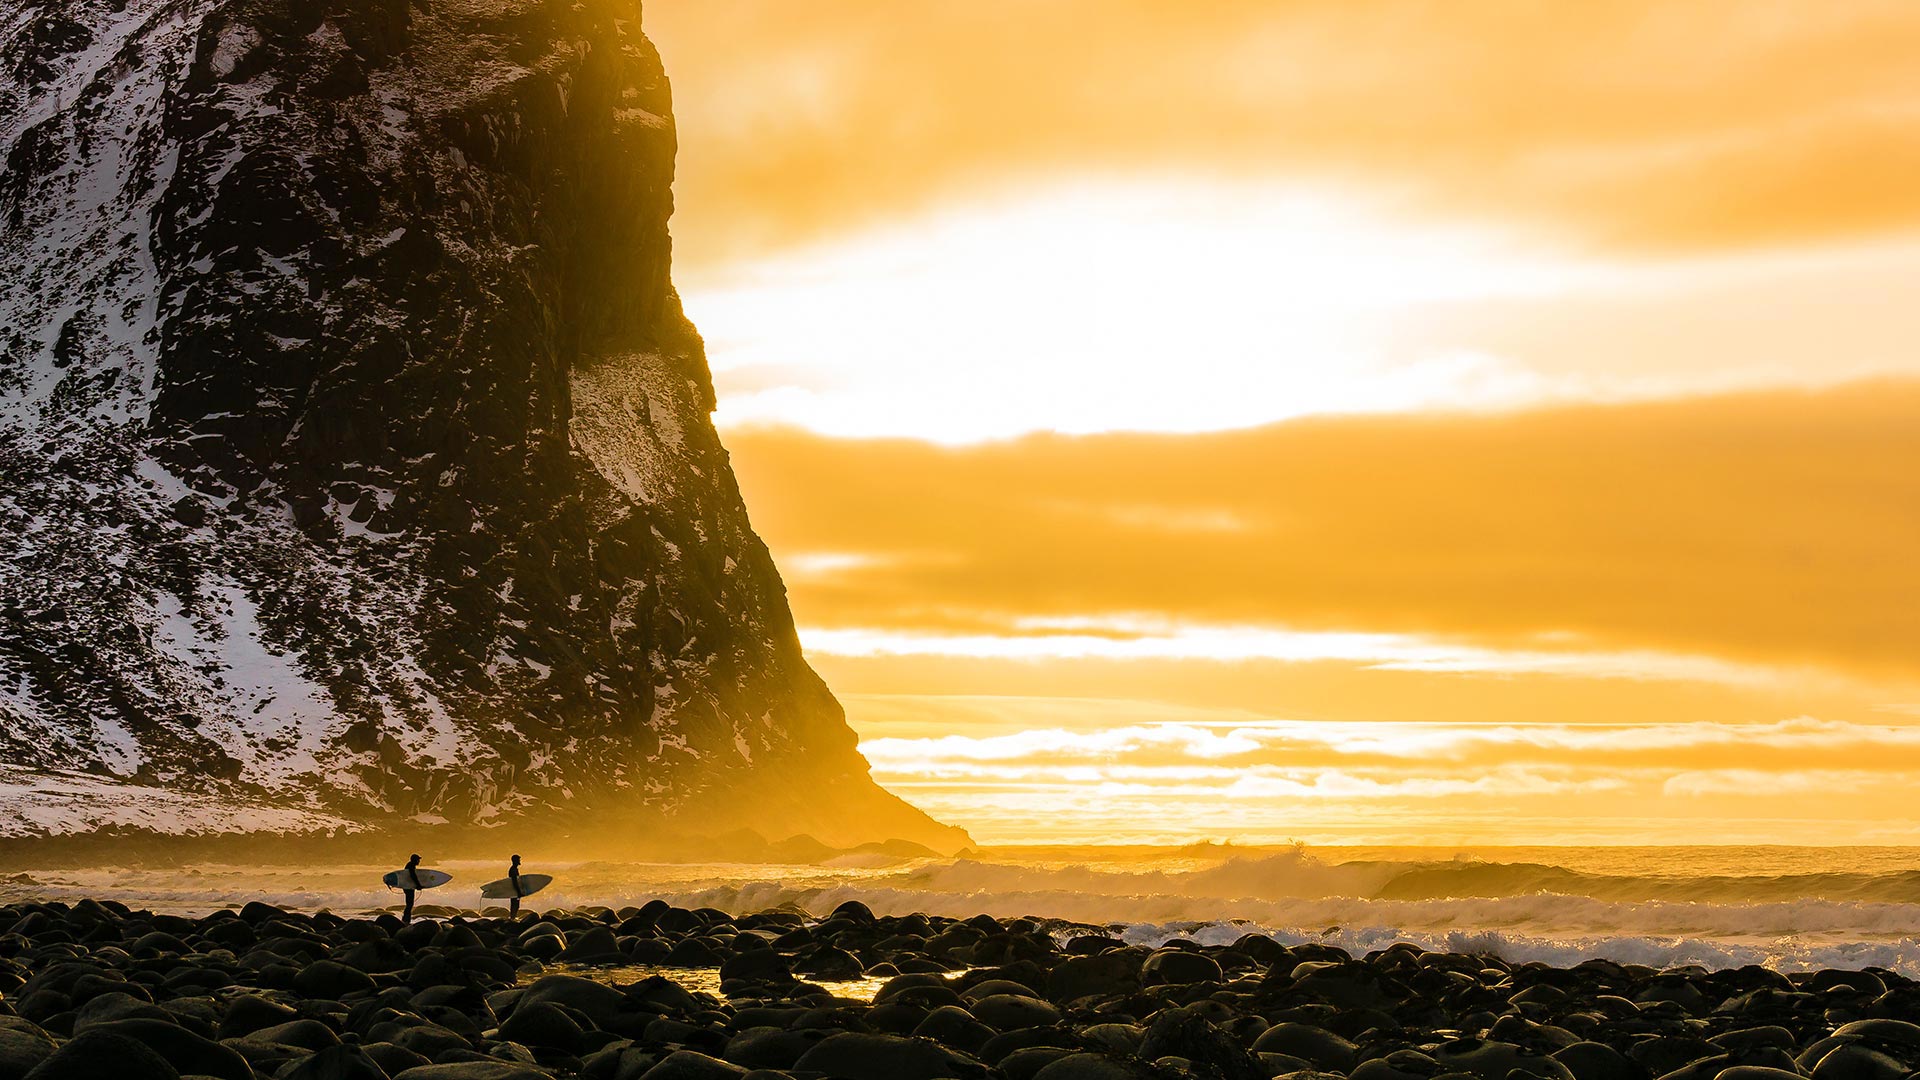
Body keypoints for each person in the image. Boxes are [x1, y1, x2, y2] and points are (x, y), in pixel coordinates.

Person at [401, 853, 423, 925]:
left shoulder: (410, 865)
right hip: (408, 887)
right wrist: (418, 885)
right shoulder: (411, 866)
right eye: (418, 860)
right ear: (415, 860)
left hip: (407, 886)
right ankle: (406, 920)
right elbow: (413, 876)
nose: (419, 861)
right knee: (409, 904)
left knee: (409, 904)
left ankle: (406, 919)